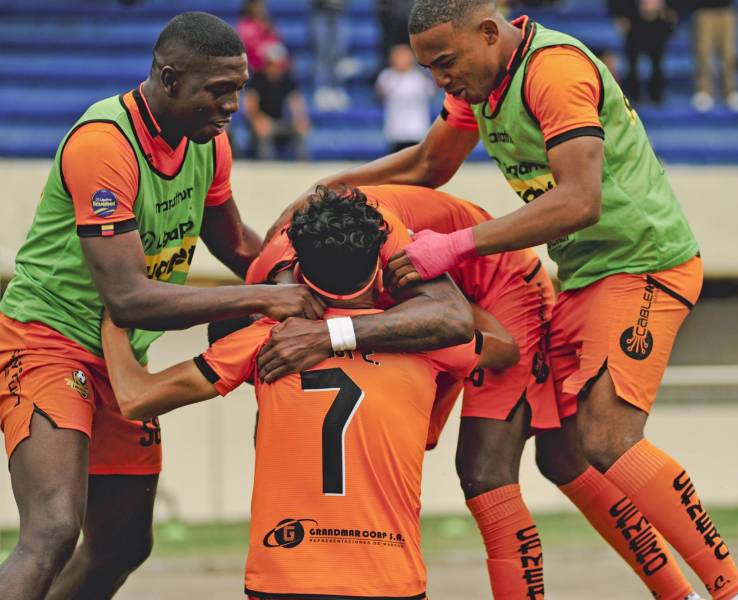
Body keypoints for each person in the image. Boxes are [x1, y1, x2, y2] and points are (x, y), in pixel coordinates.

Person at [267, 2, 738, 599]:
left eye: (445, 62)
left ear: (488, 31)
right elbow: (431, 162)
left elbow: (581, 201)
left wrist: (453, 246)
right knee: (563, 458)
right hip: (581, 274)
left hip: (642, 262)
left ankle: (733, 591)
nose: (439, 80)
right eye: (428, 69)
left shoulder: (552, 71)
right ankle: (676, 594)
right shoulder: (481, 84)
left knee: (607, 437)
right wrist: (331, 188)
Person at [0, 11, 471, 600]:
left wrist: (315, 292)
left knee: (122, 544)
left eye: (240, 89)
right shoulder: (104, 144)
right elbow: (127, 298)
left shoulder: (208, 144)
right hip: (48, 340)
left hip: (116, 350)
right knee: (52, 530)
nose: (232, 106)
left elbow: (239, 249)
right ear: (169, 79)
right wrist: (273, 297)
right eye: (219, 91)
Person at [252, 184, 699, 600]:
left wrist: (334, 332)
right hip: (444, 301)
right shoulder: (269, 283)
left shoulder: (383, 239)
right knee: (563, 458)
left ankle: (693, 593)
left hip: (502, 290)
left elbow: (461, 325)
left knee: (485, 471)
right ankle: (680, 595)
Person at [99, 189, 519, 599]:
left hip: (283, 576)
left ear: (299, 267)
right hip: (389, 579)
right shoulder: (429, 342)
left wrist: (116, 312)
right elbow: (505, 345)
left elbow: (136, 397)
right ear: (380, 266)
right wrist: (425, 281)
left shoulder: (267, 338)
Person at [244, 43, 311, 159]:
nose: (275, 68)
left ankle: (303, 165)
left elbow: (296, 101)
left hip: (280, 122)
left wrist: (300, 118)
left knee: (300, 128)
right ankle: (266, 166)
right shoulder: (257, 79)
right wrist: (258, 119)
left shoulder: (287, 79)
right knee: (264, 130)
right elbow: (250, 104)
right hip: (263, 121)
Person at [609, 0, 677, 104]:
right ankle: (633, 95)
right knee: (632, 61)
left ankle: (656, 95)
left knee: (657, 60)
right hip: (632, 17)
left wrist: (668, 8)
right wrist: (620, 14)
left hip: (660, 18)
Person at [691, 0, 738, 113]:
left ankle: (731, 92)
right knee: (703, 53)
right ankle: (703, 91)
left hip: (727, 10)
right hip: (703, 11)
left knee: (730, 54)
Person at [376, 45, 436, 152]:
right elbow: (380, 93)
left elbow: (432, 91)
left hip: (416, 130)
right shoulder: (387, 77)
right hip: (396, 131)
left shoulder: (419, 78)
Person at [237, 0, 282, 73]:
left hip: (272, 67)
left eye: (261, 5)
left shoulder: (269, 24)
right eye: (256, 5)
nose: (259, 8)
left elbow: (277, 43)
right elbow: (249, 49)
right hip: (255, 69)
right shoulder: (244, 26)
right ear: (249, 7)